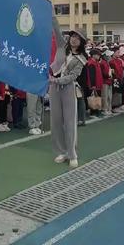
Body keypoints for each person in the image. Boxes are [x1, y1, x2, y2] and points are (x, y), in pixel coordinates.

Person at [49, 29, 87, 169]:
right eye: (73, 36)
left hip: (68, 88)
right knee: (56, 121)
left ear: (82, 41)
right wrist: (51, 11)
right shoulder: (61, 47)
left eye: (78, 37)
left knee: (70, 122)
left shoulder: (82, 58)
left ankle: (72, 154)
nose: (74, 39)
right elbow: (56, 28)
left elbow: (73, 76)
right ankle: (62, 151)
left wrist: (56, 81)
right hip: (54, 88)